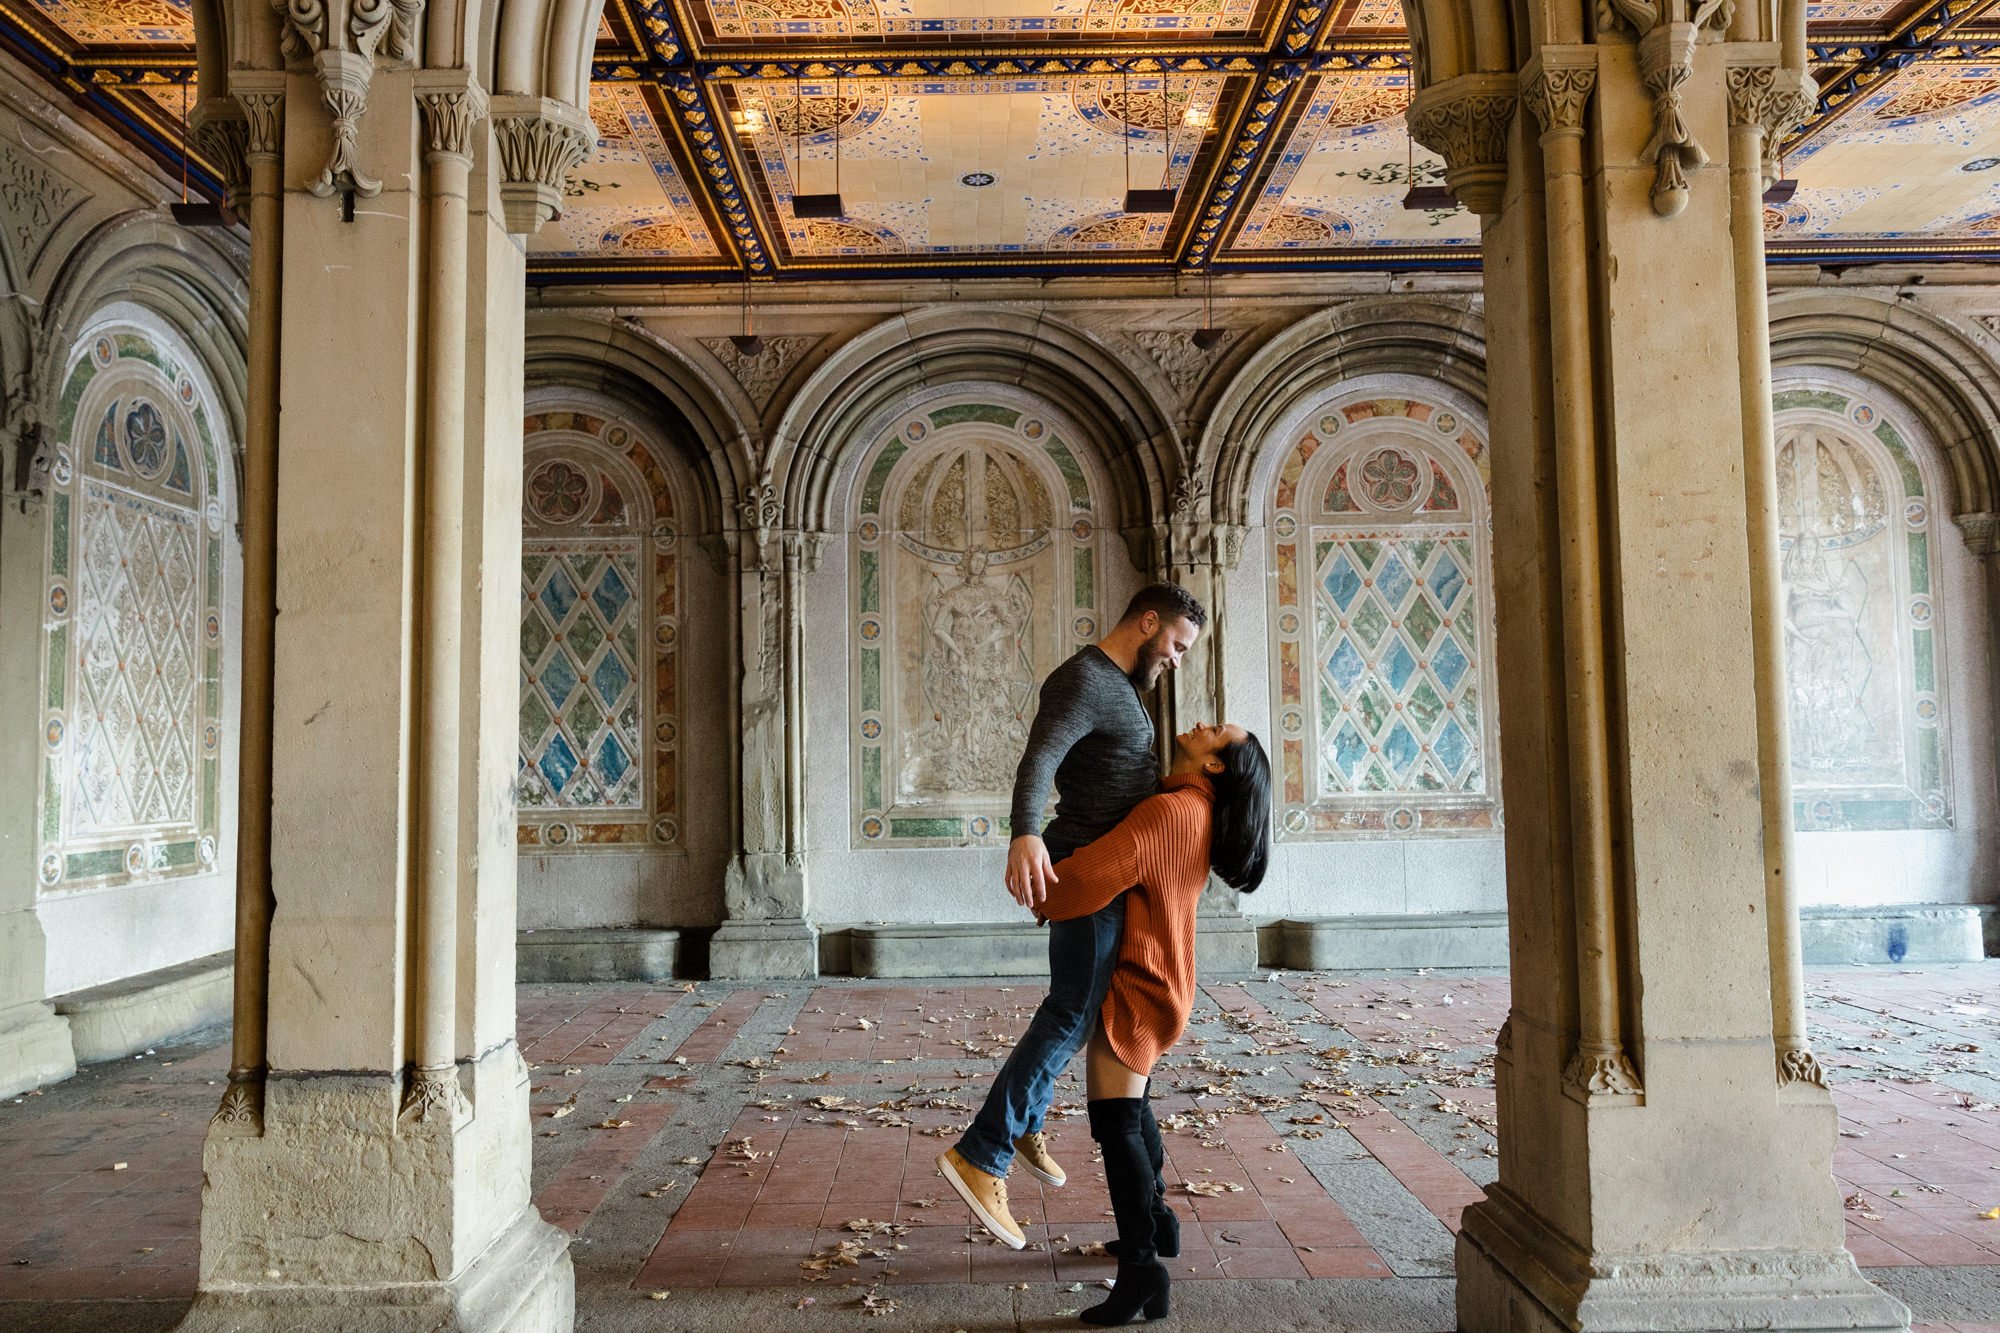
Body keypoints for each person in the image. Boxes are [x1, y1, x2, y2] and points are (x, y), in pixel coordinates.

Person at [936, 584, 1207, 1249]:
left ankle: (1024, 1118)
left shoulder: (1119, 684)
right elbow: (1039, 759)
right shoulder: (1085, 680)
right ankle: (984, 1153)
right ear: (1147, 622)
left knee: (1077, 1014)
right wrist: (1024, 831)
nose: (1174, 658)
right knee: (1071, 1013)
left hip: (1107, 877)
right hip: (1089, 881)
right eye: (1174, 644)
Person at [1039, 721, 1270, 1325]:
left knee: (1115, 1123)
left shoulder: (1171, 812)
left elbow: (1089, 877)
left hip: (1143, 983)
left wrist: (1039, 884)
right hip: (1164, 978)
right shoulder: (1188, 807)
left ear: (1216, 765)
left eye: (1217, 731)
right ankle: (1159, 1223)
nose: (1204, 723)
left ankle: (1142, 1271)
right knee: (1132, 1109)